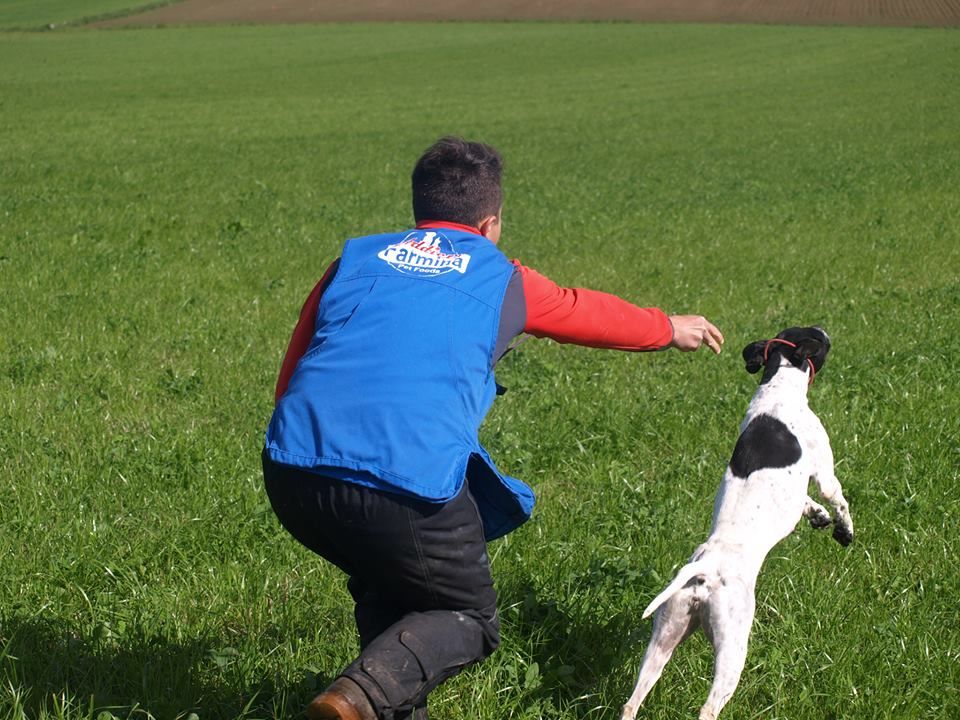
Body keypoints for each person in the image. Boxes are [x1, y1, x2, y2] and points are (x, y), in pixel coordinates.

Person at [261, 136, 724, 720]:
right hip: (405, 476)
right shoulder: (499, 275)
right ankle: (354, 700)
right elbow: (584, 310)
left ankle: (372, 702)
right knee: (467, 618)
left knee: (393, 585)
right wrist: (667, 327)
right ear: (488, 224)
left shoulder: (353, 260)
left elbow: (296, 366)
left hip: (294, 469)